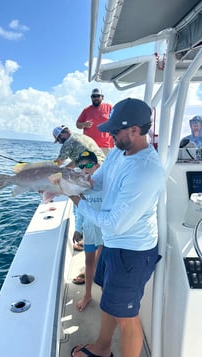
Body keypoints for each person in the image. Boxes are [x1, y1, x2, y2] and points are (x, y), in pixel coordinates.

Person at [69, 98, 165, 357]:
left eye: (115, 130)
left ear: (134, 130)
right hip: (113, 245)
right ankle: (101, 348)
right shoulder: (117, 153)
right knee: (110, 302)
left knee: (127, 318)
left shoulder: (145, 170)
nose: (109, 135)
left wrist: (77, 200)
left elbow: (115, 223)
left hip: (131, 252)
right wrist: (74, 181)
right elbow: (97, 182)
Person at [71, 151, 103, 312]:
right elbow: (79, 210)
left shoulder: (106, 184)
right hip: (90, 231)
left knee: (103, 263)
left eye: (89, 165)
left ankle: (105, 294)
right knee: (89, 262)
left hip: (105, 233)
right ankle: (88, 293)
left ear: (98, 166)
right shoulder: (80, 188)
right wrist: (78, 229)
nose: (85, 169)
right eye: (81, 166)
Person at [76, 88, 113, 155]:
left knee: (107, 165)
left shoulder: (109, 107)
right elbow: (77, 124)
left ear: (102, 97)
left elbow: (115, 123)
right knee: (89, 165)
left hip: (106, 146)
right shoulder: (86, 110)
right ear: (91, 98)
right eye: (93, 96)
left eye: (98, 96)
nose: (96, 98)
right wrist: (84, 124)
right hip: (88, 146)